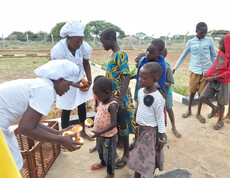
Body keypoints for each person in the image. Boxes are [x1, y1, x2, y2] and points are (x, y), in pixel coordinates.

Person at [0, 59, 83, 171]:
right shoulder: (46, 90)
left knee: (14, 164)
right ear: (60, 80)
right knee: (11, 168)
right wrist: (60, 140)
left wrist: (58, 133)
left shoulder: (40, 84)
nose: (68, 89)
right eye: (68, 84)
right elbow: (25, 128)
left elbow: (31, 123)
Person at [51, 20, 94, 140]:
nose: (79, 43)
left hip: (79, 76)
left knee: (81, 105)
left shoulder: (84, 47)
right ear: (68, 38)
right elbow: (57, 70)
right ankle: (65, 135)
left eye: (81, 40)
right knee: (67, 107)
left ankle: (83, 131)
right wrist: (71, 84)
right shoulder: (58, 50)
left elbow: (86, 63)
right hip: (64, 79)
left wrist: (89, 80)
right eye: (76, 41)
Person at [99, 27, 136, 168]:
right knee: (120, 124)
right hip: (114, 96)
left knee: (123, 124)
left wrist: (120, 98)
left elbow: (126, 75)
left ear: (110, 40)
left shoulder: (120, 55)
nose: (102, 45)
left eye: (103, 42)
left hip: (120, 97)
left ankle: (126, 154)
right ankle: (121, 145)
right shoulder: (114, 55)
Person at [127, 62, 166, 178]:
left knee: (144, 157)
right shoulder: (140, 92)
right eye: (139, 76)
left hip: (150, 132)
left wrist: (161, 137)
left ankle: (145, 175)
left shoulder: (158, 99)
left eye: (144, 78)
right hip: (140, 130)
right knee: (142, 155)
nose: (140, 79)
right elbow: (140, 108)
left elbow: (160, 118)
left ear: (154, 79)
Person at [173, 22, 217, 123]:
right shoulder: (190, 42)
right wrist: (175, 67)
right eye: (202, 32)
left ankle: (198, 113)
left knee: (202, 94)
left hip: (206, 71)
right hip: (194, 70)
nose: (204, 34)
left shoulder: (209, 41)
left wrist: (215, 69)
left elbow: (213, 56)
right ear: (196, 31)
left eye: (205, 32)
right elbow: (183, 55)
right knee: (192, 91)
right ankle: (188, 110)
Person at [199, 34, 230, 130]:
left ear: (227, 44)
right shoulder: (220, 52)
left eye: (221, 44)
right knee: (203, 97)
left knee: (221, 103)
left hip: (223, 82)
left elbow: (228, 72)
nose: (219, 46)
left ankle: (220, 121)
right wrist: (208, 74)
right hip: (214, 79)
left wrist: (215, 77)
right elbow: (216, 64)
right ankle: (214, 108)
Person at [90, 77, 118, 178]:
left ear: (106, 92)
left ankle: (111, 173)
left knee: (109, 155)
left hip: (109, 137)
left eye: (98, 95)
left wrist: (99, 132)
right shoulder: (102, 101)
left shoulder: (112, 105)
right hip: (100, 134)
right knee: (100, 150)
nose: (96, 97)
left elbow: (114, 124)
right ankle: (102, 163)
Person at [162, 48, 181, 138]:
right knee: (160, 112)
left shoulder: (166, 65)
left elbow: (169, 82)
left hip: (167, 92)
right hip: (158, 92)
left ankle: (173, 127)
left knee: (169, 109)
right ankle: (162, 131)